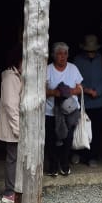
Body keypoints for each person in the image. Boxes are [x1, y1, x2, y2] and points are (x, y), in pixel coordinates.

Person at [45, 41, 83, 177]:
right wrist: (54, 93)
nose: (62, 56)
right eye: (59, 53)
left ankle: (65, 164)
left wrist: (68, 91)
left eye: (65, 53)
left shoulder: (73, 68)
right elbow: (41, 89)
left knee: (67, 139)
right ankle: (53, 166)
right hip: (50, 111)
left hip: (70, 111)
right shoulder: (48, 69)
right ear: (53, 55)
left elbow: (80, 88)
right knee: (51, 139)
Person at [74, 33, 102, 166]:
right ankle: (79, 154)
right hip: (82, 101)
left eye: (93, 51)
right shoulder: (77, 61)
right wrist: (87, 90)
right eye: (89, 51)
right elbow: (74, 80)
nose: (91, 53)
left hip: (99, 102)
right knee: (80, 128)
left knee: (95, 130)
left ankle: (93, 157)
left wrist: (98, 91)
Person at [0, 47, 22, 203]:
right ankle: (9, 191)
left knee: (16, 157)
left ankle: (14, 189)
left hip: (16, 123)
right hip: (14, 124)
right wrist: (18, 129)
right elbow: (10, 105)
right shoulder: (10, 78)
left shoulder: (17, 76)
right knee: (13, 157)